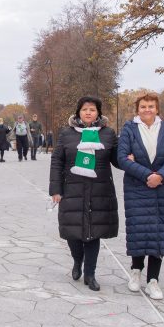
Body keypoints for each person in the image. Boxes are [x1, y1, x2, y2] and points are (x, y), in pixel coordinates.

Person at [50, 96, 120, 292]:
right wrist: (56, 189)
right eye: (84, 109)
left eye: (92, 109)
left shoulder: (107, 134)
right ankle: (77, 260)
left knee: (93, 234)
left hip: (99, 190)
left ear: (98, 113)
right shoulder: (67, 134)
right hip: (72, 189)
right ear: (78, 112)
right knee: (73, 233)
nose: (88, 112)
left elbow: (117, 160)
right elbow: (57, 161)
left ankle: (90, 273)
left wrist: (129, 157)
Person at [117, 93, 164, 300]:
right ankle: (136, 271)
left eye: (151, 106)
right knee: (140, 230)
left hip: (163, 188)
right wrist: (148, 175)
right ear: (138, 109)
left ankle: (153, 280)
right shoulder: (129, 129)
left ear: (157, 109)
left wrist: (161, 176)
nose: (147, 110)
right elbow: (122, 158)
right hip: (138, 187)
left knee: (159, 233)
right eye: (143, 106)